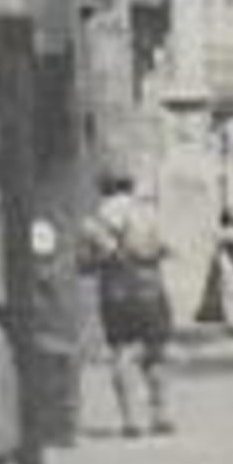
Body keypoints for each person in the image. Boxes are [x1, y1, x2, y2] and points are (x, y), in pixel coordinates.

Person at [78, 176, 175, 437]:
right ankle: (160, 414)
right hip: (150, 290)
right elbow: (165, 248)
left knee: (121, 352)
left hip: (116, 292)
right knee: (155, 353)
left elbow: (85, 262)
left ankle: (130, 419)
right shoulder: (147, 212)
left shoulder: (95, 220)